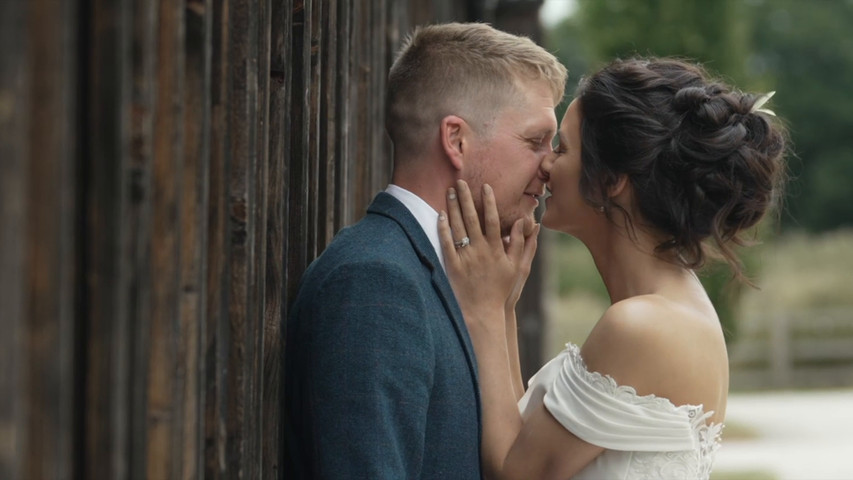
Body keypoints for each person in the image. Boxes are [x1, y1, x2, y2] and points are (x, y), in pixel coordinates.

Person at [438, 57, 787, 479]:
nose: (546, 165)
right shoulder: (676, 303)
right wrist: (503, 306)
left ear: (611, 180)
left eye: (563, 148)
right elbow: (521, 438)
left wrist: (483, 309)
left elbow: (515, 473)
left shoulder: (641, 325)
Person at [283, 22, 566, 478]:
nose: (550, 164)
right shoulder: (376, 281)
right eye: (535, 141)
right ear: (456, 140)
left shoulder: (457, 276)